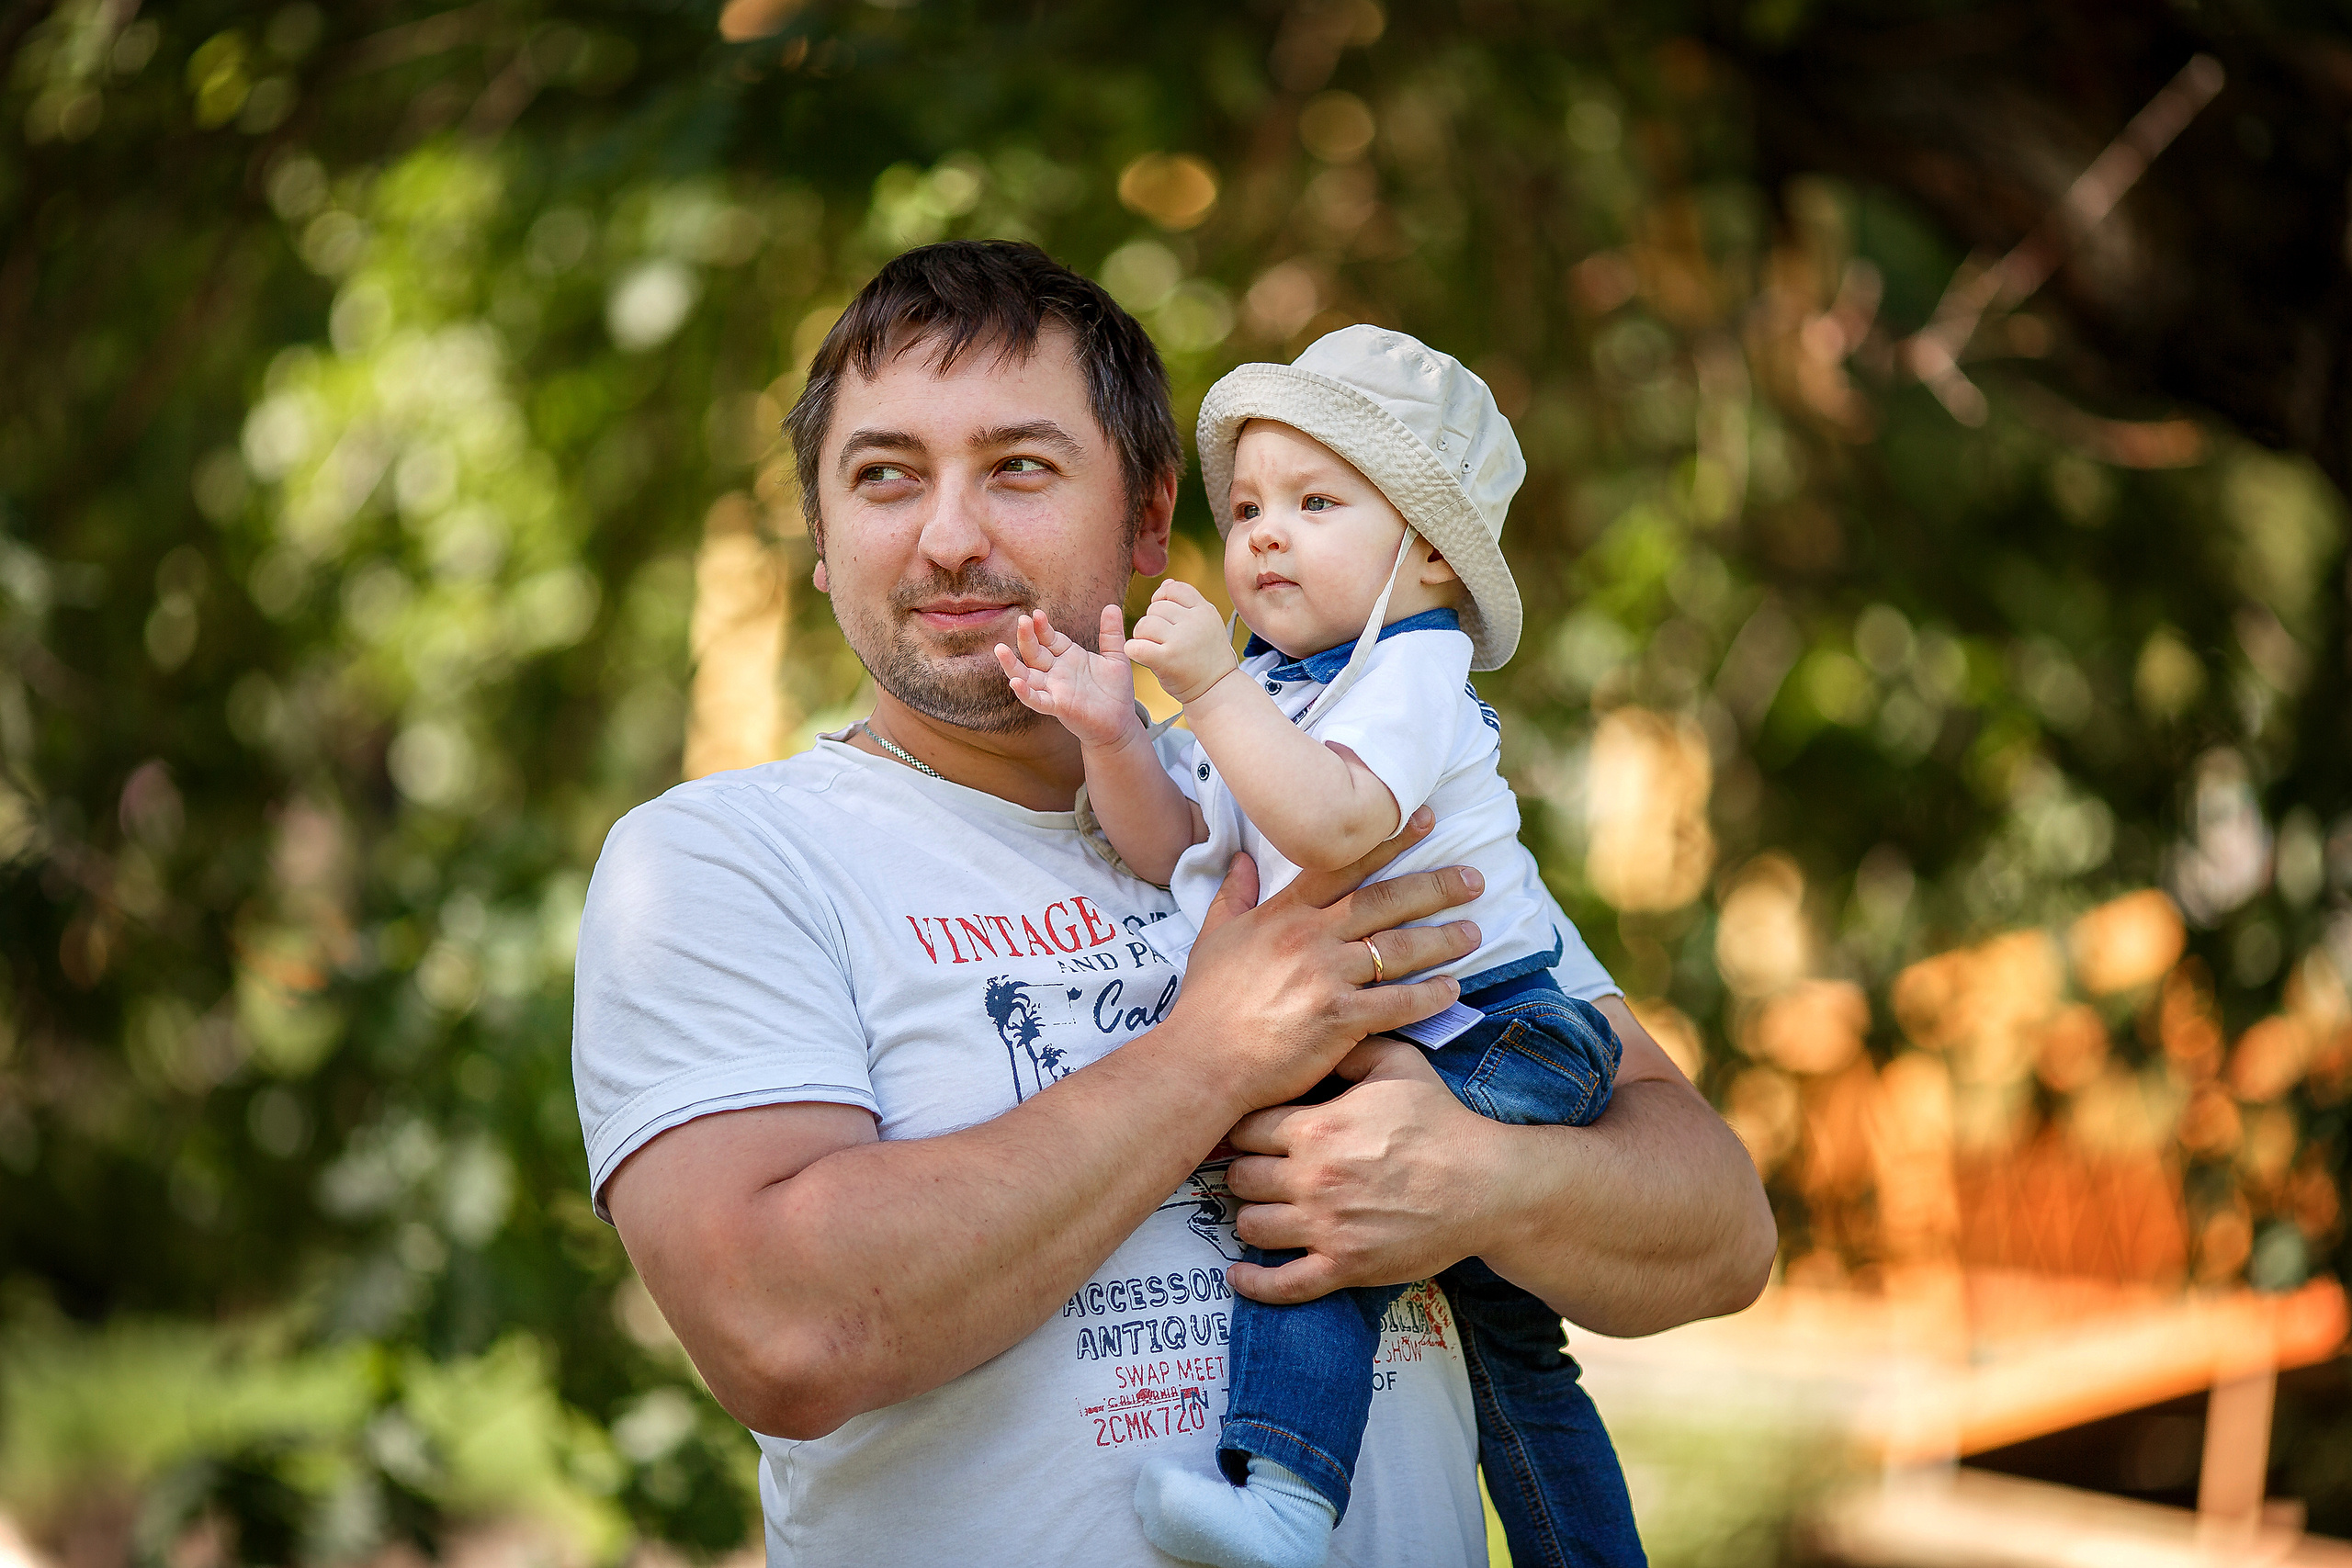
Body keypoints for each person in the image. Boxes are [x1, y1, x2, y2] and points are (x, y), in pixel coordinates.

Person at [571, 240, 1774, 1568]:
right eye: (884, 476)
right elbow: (783, 1333)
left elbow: (1720, 1232)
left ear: (1149, 521)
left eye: (1019, 468)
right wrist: (1213, 1055)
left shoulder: (1302, 780)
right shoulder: (721, 862)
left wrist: (1479, 1184)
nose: (950, 535)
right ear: (820, 535)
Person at [994, 323, 1640, 1568]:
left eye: (1315, 501)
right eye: (1244, 510)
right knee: (1516, 1360)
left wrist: (1212, 695)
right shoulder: (1275, 689)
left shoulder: (1412, 665)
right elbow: (1181, 844)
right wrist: (1118, 737)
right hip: (1429, 1032)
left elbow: (1340, 822)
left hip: (1497, 1025)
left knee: (1326, 1200)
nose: (1265, 534)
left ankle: (1286, 1496)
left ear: (1436, 559)